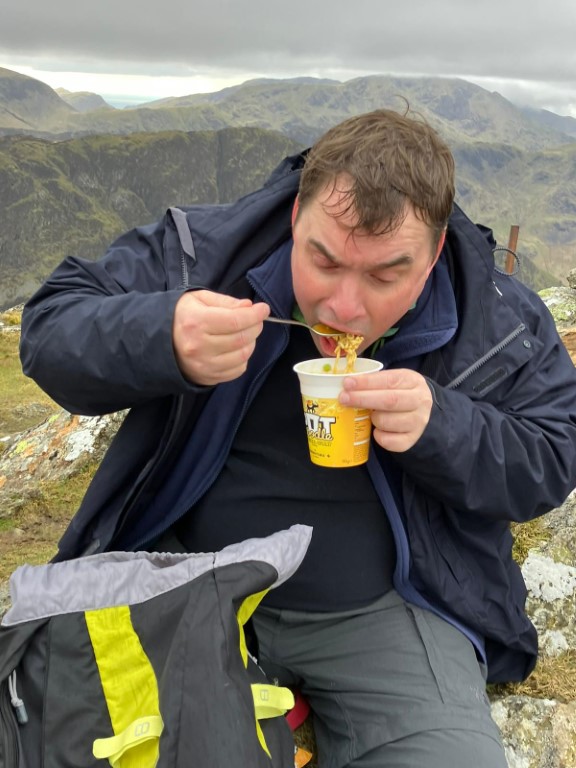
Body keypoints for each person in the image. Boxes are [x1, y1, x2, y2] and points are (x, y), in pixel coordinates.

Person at [19, 109, 576, 768]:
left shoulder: (498, 317)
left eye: (384, 275)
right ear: (295, 221)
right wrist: (160, 335)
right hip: (190, 582)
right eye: (323, 260)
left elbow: (554, 453)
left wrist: (443, 426)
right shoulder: (204, 252)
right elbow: (49, 327)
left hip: (388, 610)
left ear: (431, 260)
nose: (343, 307)